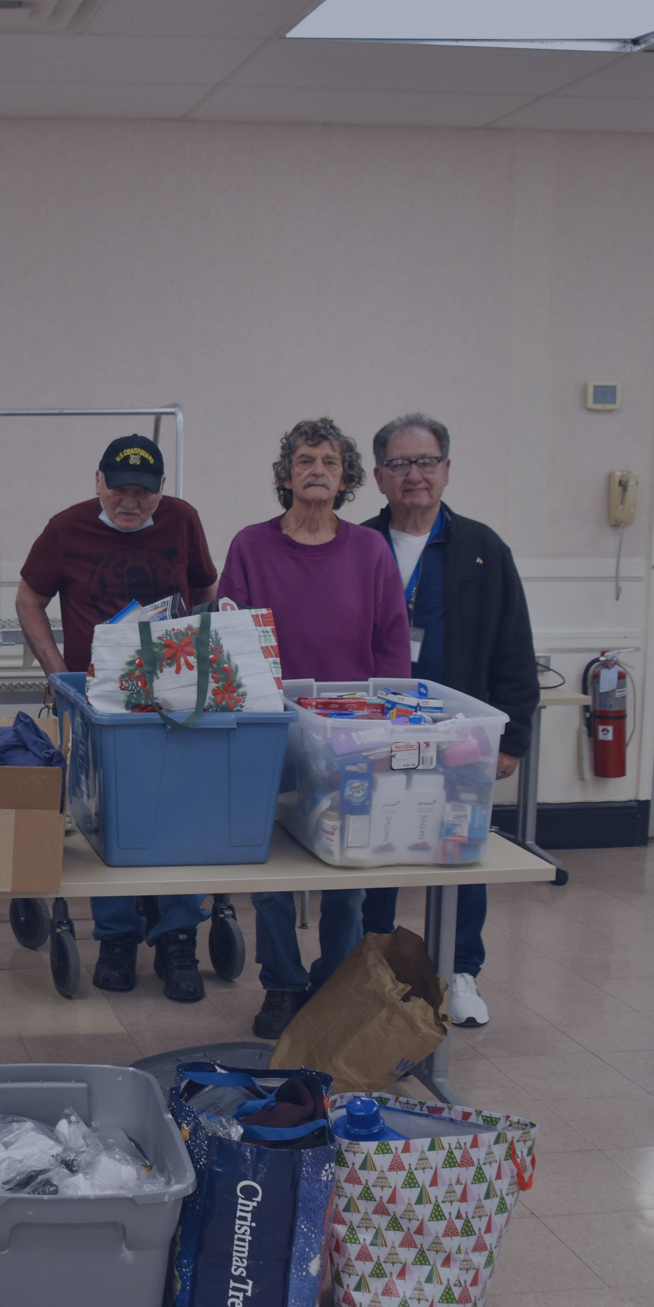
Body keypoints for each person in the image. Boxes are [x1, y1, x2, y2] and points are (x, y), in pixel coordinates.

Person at [215, 417, 410, 1040]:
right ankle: (282, 983)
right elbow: (228, 640)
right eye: (305, 460)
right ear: (286, 475)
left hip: (351, 734)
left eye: (329, 461)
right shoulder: (250, 545)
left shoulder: (370, 551)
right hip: (269, 728)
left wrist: (387, 725)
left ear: (347, 477)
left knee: (345, 875)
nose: (317, 469)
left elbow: (392, 645)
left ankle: (334, 983)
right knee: (269, 871)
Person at [15, 435, 219, 1002]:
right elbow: (29, 598)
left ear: (159, 493)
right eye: (120, 491)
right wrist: (58, 674)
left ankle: (178, 937)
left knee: (181, 816)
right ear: (98, 482)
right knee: (107, 818)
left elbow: (204, 588)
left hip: (175, 700)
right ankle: (116, 938)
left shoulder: (182, 521)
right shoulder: (66, 529)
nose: (131, 503)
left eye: (143, 494)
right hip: (99, 702)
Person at [358, 413, 538, 1029]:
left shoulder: (483, 550)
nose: (415, 475)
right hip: (376, 731)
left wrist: (512, 737)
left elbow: (513, 645)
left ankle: (460, 971)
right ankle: (372, 964)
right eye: (401, 464)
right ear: (379, 476)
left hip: (459, 735)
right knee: (374, 846)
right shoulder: (358, 545)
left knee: (459, 850)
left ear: (447, 470)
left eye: (427, 462)